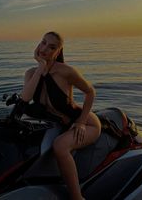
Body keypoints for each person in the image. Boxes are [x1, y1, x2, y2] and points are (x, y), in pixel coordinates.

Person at [21, 31, 101, 200]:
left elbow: (90, 92)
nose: (45, 49)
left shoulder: (66, 72)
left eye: (52, 47)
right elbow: (26, 98)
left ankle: (77, 197)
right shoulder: (31, 73)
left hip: (87, 123)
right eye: (43, 42)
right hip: (60, 123)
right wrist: (41, 68)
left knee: (60, 146)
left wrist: (80, 122)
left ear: (58, 52)